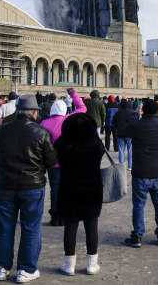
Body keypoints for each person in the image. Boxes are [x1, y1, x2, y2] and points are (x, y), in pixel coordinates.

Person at [0, 94, 57, 283]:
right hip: (32, 186)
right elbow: (51, 160)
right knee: (31, 227)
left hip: (4, 185)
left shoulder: (2, 130)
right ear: (34, 113)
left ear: (18, 111)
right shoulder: (41, 132)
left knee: (4, 227)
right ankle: (26, 269)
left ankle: (1, 268)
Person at [55, 113, 104, 276]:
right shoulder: (96, 145)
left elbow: (57, 151)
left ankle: (69, 264)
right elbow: (101, 149)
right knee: (91, 226)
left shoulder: (63, 145)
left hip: (69, 188)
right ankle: (92, 263)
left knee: (70, 226)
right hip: (92, 189)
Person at [118, 100, 158, 247]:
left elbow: (121, 130)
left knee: (139, 205)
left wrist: (135, 115)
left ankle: (138, 235)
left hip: (141, 172)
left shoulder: (136, 125)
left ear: (143, 111)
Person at [40, 88, 86, 227]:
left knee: (55, 188)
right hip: (69, 161)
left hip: (52, 161)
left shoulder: (44, 123)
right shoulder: (69, 120)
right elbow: (83, 108)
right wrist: (74, 94)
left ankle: (55, 216)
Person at [113, 99, 138, 170]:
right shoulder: (133, 113)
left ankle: (121, 166)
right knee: (130, 150)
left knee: (121, 150)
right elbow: (136, 122)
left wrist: (117, 128)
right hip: (130, 134)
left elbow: (113, 122)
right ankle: (130, 166)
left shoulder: (118, 113)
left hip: (120, 133)